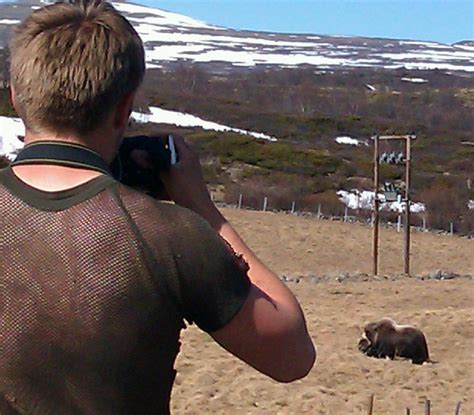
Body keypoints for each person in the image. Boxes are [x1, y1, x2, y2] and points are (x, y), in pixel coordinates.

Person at [0, 1, 315, 413]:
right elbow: (292, 355)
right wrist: (203, 210)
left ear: (16, 98)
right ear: (124, 109)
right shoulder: (171, 237)